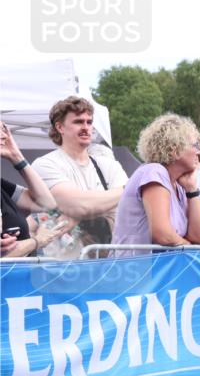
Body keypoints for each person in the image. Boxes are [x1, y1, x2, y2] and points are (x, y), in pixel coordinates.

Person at [31, 96, 129, 257]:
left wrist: (77, 214)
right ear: (60, 127)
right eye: (78, 122)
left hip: (105, 267)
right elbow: (80, 205)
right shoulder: (44, 165)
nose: (86, 127)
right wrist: (125, 190)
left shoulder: (109, 165)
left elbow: (126, 211)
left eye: (89, 122)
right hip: (59, 269)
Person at [111, 114, 200, 251]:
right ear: (174, 151)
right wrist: (193, 251)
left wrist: (192, 190)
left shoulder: (180, 185)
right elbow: (162, 235)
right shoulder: (153, 172)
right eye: (195, 145)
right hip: (136, 269)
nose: (198, 151)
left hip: (159, 268)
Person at [0, 123, 66, 257]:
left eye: (3, 130)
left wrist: (16, 156)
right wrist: (37, 241)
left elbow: (46, 204)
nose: (4, 136)